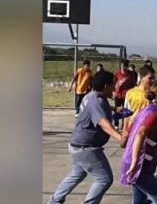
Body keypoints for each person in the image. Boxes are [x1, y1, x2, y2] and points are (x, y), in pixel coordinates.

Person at [48, 71, 123, 204]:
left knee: (77, 174)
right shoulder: (97, 101)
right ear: (106, 86)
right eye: (113, 85)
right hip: (86, 148)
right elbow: (103, 123)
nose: (114, 88)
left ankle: (54, 201)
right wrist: (120, 137)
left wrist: (114, 110)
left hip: (77, 145)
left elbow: (97, 111)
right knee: (104, 179)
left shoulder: (92, 95)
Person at [120, 83, 157, 204]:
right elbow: (141, 133)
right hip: (139, 167)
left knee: (139, 200)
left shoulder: (144, 111)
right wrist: (134, 162)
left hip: (135, 164)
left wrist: (126, 148)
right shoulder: (156, 114)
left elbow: (127, 134)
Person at [122, 65, 157, 133]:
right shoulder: (130, 93)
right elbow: (126, 114)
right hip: (133, 130)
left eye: (154, 78)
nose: (153, 81)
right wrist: (125, 131)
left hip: (149, 131)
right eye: (150, 78)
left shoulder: (155, 94)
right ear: (141, 77)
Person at [114, 59, 137, 126]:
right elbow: (113, 82)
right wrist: (113, 91)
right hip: (118, 94)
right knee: (117, 109)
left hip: (126, 95)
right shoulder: (117, 73)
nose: (122, 67)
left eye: (124, 66)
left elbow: (133, 84)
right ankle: (116, 124)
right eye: (121, 65)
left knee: (126, 110)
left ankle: (124, 124)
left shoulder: (131, 74)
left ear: (127, 66)